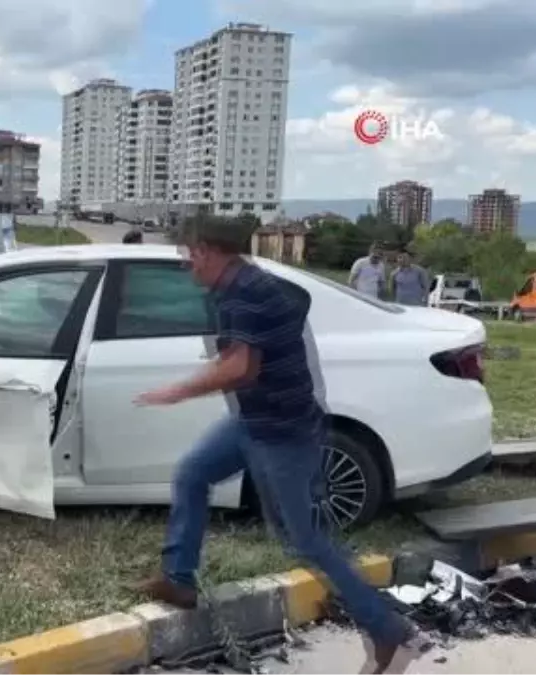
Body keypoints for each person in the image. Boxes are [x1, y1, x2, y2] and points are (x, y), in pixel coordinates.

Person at [133, 221, 419, 673]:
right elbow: (246, 361)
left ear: (208, 250)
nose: (186, 264)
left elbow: (240, 369)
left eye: (188, 254)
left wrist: (178, 390)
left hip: (283, 434)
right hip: (254, 421)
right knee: (192, 473)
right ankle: (180, 579)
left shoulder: (246, 293)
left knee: (304, 541)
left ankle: (386, 630)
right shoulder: (243, 286)